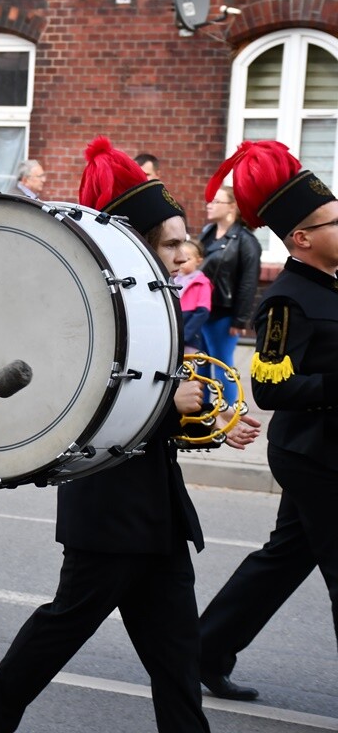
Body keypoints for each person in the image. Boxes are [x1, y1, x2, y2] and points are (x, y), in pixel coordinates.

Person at [0, 137, 258, 733]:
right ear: (133, 245)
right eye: (169, 244)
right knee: (64, 627)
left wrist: (217, 416)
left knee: (175, 657)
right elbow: (91, 406)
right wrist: (172, 407)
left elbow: (165, 392)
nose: (181, 255)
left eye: (181, 242)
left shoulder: (154, 306)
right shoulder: (85, 312)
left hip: (156, 511)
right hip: (110, 506)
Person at [197, 141, 338, 702]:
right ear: (301, 238)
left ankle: (203, 650)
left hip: (328, 449)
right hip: (312, 454)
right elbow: (270, 386)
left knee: (283, 560)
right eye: (334, 221)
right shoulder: (287, 301)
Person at [198, 184, 261, 406]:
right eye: (211, 201)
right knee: (201, 363)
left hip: (224, 313)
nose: (210, 205)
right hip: (201, 309)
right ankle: (202, 408)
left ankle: (230, 410)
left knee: (222, 363)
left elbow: (248, 283)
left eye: (216, 201)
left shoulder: (245, 241)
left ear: (232, 207)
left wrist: (240, 319)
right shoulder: (207, 233)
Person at [176, 240, 212, 354]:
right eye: (180, 257)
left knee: (187, 367)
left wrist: (185, 335)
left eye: (187, 259)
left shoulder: (202, 283)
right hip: (174, 335)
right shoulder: (173, 279)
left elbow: (203, 312)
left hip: (189, 338)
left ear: (198, 261)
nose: (182, 262)